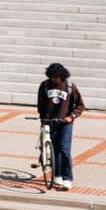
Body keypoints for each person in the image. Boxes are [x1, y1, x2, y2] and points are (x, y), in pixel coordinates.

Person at [36, 63, 86, 192]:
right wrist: (42, 119)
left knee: (64, 149)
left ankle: (67, 178)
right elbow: (40, 104)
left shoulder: (70, 86)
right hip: (49, 121)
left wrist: (71, 116)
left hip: (65, 123)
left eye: (57, 77)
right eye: (52, 77)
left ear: (62, 76)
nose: (55, 80)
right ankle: (57, 175)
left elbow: (80, 105)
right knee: (54, 150)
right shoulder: (45, 86)